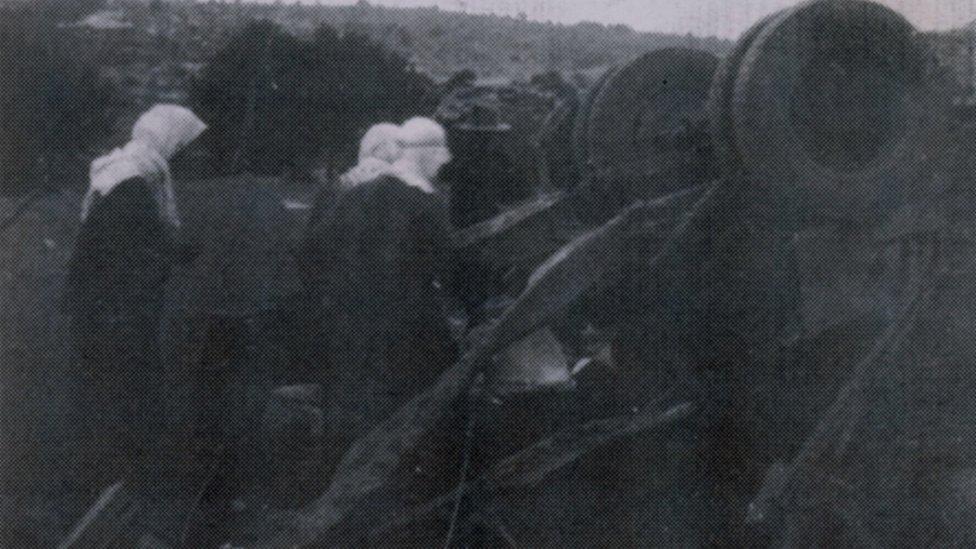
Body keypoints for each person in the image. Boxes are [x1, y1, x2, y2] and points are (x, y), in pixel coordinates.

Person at [62, 104, 207, 490]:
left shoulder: (128, 173)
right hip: (114, 306)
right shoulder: (134, 183)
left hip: (101, 301)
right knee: (127, 386)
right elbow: (128, 249)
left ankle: (111, 472)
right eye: (188, 144)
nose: (192, 153)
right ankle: (124, 479)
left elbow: (136, 237)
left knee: (113, 386)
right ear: (170, 141)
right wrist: (172, 254)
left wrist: (174, 251)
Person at [307, 117, 457, 464]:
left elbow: (312, 247)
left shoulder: (349, 192)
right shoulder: (424, 201)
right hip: (404, 316)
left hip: (348, 310)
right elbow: (444, 262)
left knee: (348, 392)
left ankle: (335, 462)